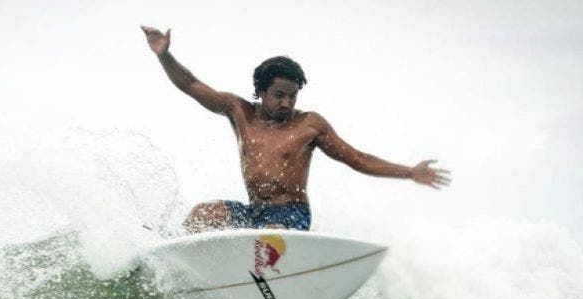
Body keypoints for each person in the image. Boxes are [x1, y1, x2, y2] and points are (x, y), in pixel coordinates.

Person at [140, 26, 451, 233]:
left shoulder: (309, 124)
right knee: (202, 215)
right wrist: (164, 54)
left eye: (293, 95)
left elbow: (357, 158)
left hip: (290, 216)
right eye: (279, 95)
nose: (287, 103)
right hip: (254, 212)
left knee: (269, 236)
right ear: (260, 92)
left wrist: (409, 171)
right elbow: (191, 84)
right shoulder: (239, 112)